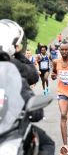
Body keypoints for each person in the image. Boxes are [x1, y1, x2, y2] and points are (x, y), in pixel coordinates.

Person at [0, 19, 55, 155]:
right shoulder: (10, 70)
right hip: (8, 129)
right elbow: (30, 77)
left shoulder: (11, 67)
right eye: (18, 45)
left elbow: (32, 77)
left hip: (7, 128)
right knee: (47, 143)